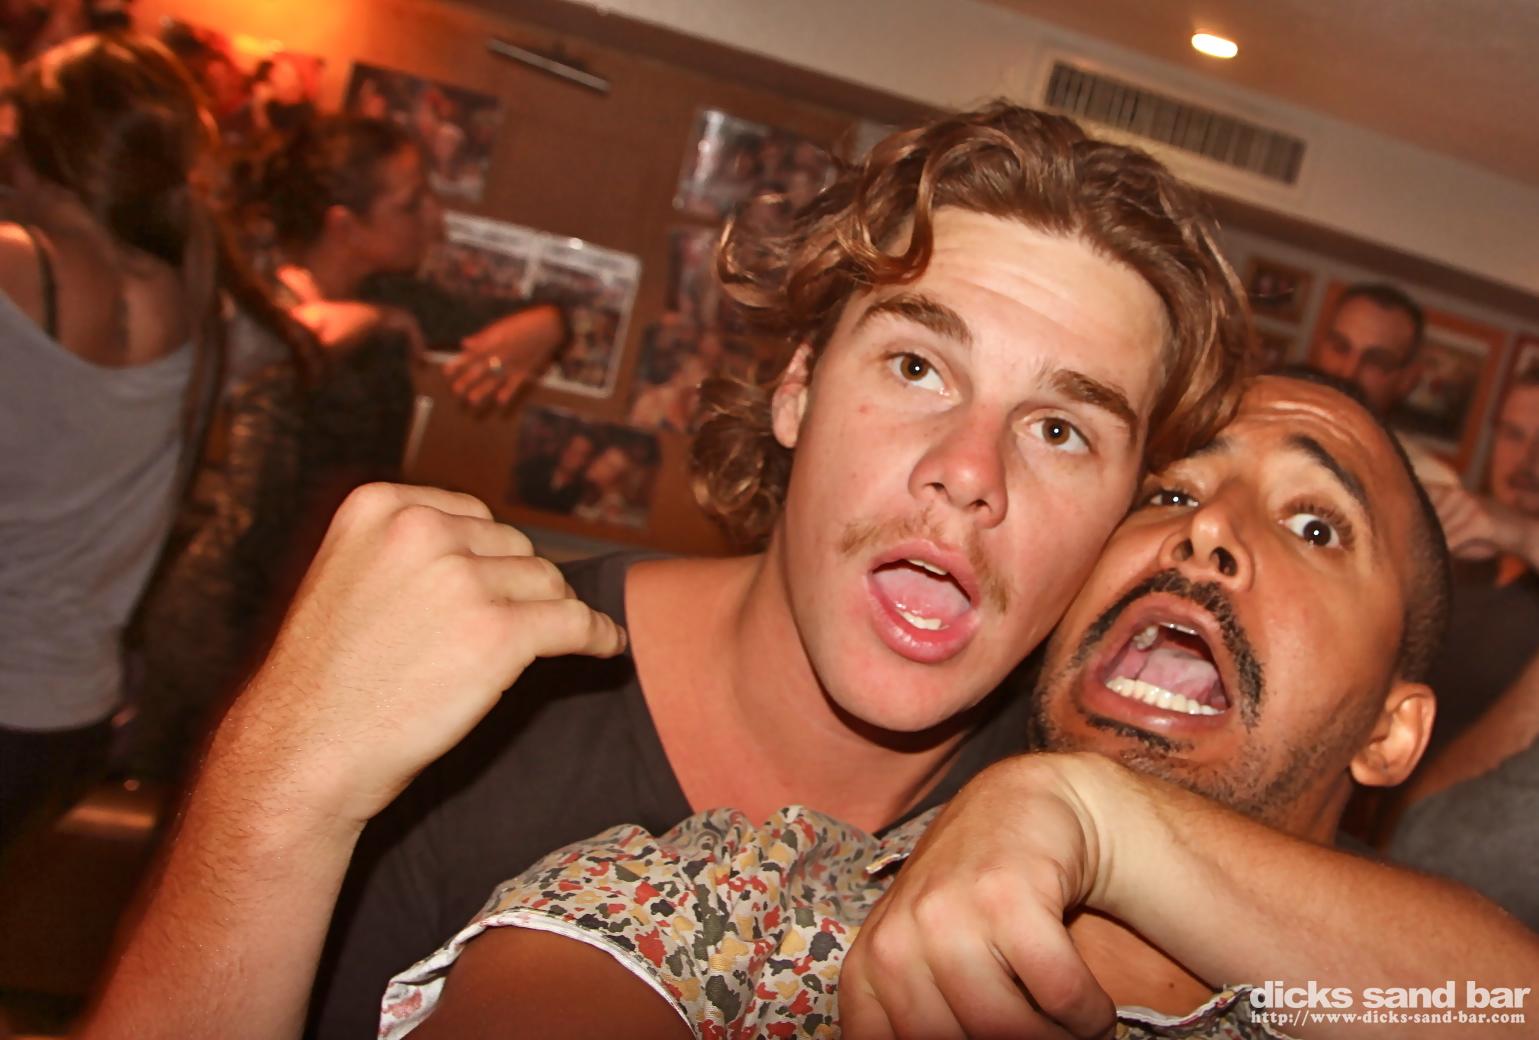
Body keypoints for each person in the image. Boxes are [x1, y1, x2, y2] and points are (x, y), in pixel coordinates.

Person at [77, 101, 1253, 1040]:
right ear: (797, 390)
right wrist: (274, 775)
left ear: (1122, 515)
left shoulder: (1095, 810)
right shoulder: (472, 710)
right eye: (915, 366)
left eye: (1061, 430)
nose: (968, 470)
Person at [375, 373, 1539, 1039]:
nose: (1209, 529)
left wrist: (1090, 816)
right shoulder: (753, 901)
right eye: (1169, 490)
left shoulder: (1416, 986)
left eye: (1315, 524)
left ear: (1393, 732)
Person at [0, 31, 302, 853]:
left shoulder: (19, 267)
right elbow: (295, 340)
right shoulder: (199, 301)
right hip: (71, 718)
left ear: (41, 145)